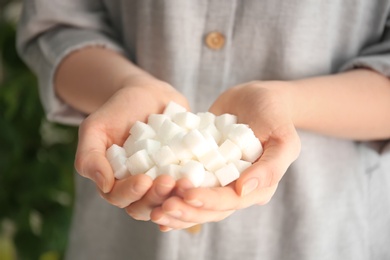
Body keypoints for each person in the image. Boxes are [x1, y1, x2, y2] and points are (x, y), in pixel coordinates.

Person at [17, 1, 390, 259]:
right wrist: (124, 85)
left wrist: (290, 104)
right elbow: (57, 23)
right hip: (120, 243)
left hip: (320, 234)